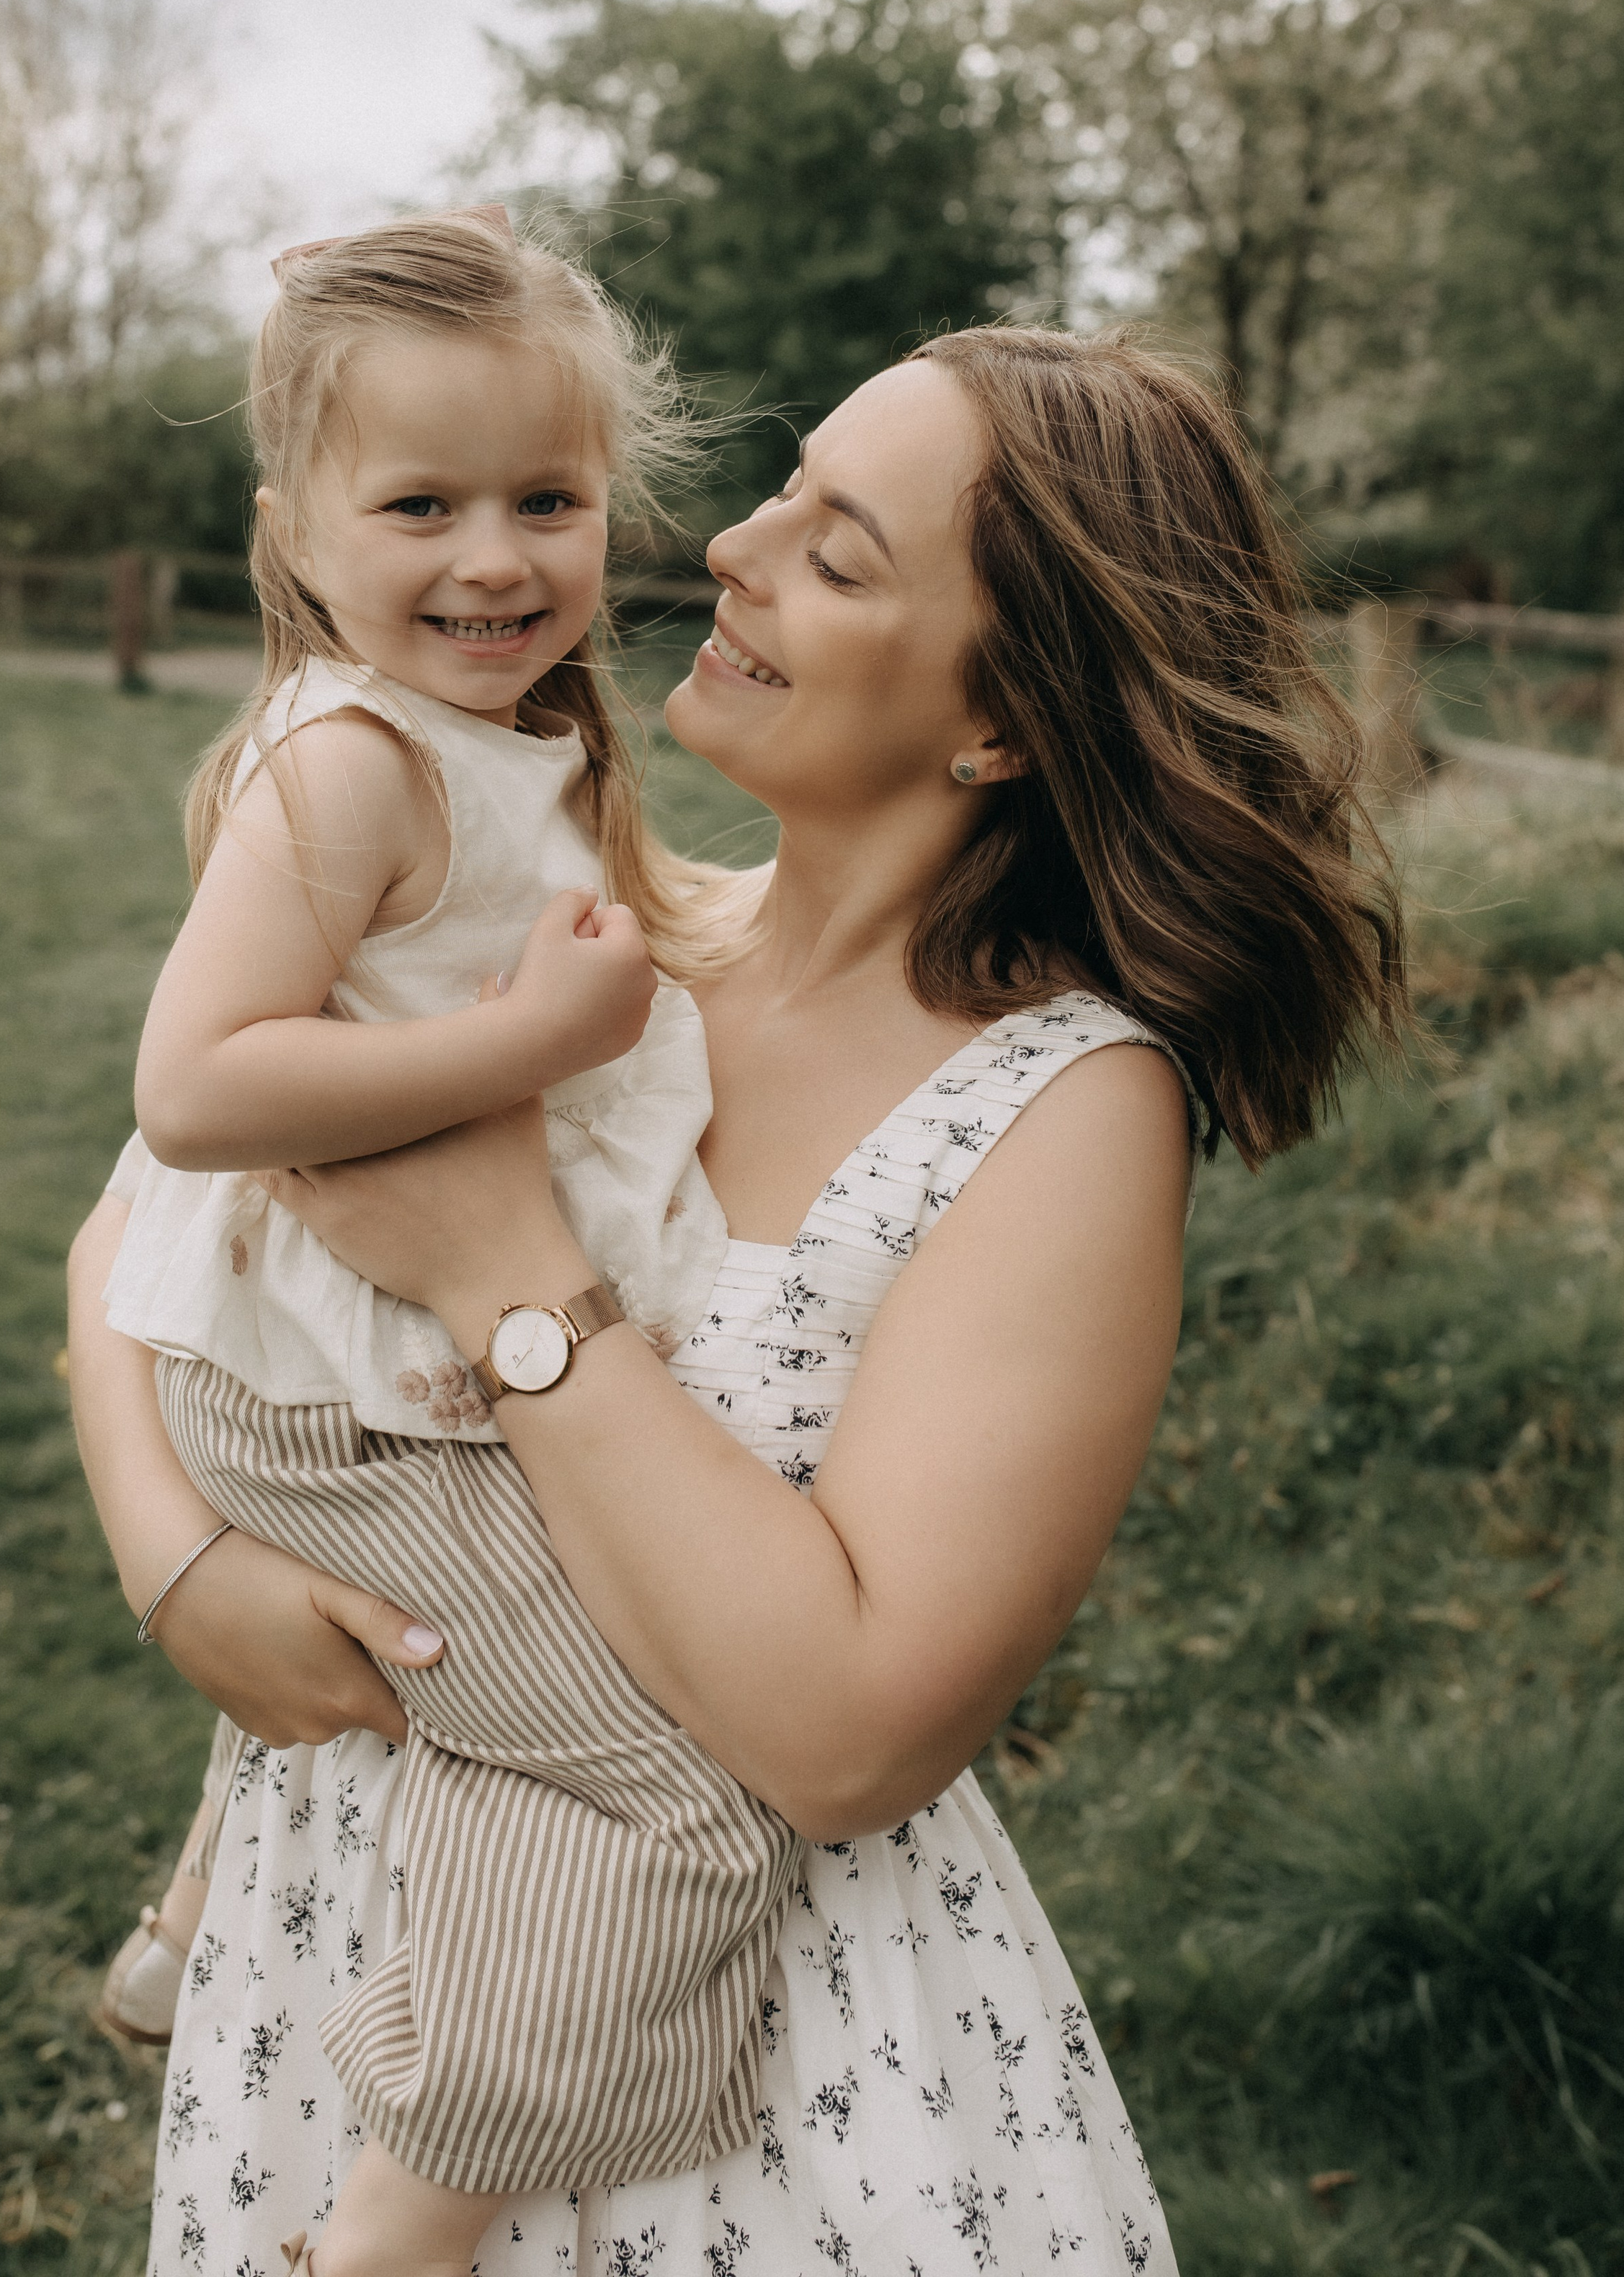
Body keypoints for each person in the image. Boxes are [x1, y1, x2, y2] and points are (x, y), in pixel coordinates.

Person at [68, 321, 1404, 2276]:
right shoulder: (606, 940)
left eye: (839, 551)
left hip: (762, 2058)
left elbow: (854, 1736)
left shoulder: (1058, 1108)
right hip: (357, 1923)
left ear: (1005, 722)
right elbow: (134, 1235)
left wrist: (507, 1276)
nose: (731, 553)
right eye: (778, 493)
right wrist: (180, 1568)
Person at [92, 208, 811, 2277]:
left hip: (423, 1369)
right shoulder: (345, 765)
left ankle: (241, 1940)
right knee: (682, 1786)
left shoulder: (519, 738)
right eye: (421, 503)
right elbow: (194, 1091)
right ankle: (393, 2219)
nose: (495, 557)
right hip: (343, 1401)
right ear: (295, 532)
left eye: (548, 499)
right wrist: (524, 1043)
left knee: (602, 1711)